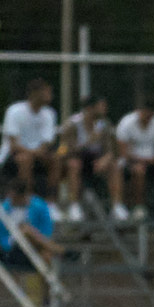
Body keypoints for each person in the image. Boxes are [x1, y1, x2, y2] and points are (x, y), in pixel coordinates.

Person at [112, 98, 154, 223]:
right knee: (139, 171)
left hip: (153, 162)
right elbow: (123, 152)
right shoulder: (126, 123)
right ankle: (139, 206)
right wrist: (141, 159)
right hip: (131, 162)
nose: (147, 116)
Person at [0, 78, 61, 194]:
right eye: (46, 91)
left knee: (56, 160)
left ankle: (51, 202)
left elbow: (46, 143)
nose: (50, 95)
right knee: (25, 159)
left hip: (37, 155)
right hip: (12, 156)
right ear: (35, 93)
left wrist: (38, 153)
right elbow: (13, 145)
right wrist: (34, 153)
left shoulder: (49, 114)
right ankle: (28, 199)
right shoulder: (14, 111)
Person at [59, 94, 115, 223]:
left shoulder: (104, 124)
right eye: (101, 106)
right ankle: (74, 205)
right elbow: (64, 150)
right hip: (77, 159)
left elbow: (110, 151)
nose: (105, 108)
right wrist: (89, 142)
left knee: (113, 166)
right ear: (90, 108)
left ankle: (116, 206)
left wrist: (105, 159)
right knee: (74, 165)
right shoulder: (72, 124)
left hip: (95, 160)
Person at [0, 175, 55, 271]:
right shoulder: (4, 209)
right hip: (9, 250)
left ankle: (51, 285)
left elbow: (46, 232)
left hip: (34, 247)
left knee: (46, 255)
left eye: (15, 198)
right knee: (26, 230)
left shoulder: (39, 207)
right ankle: (59, 250)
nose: (11, 200)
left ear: (23, 196)